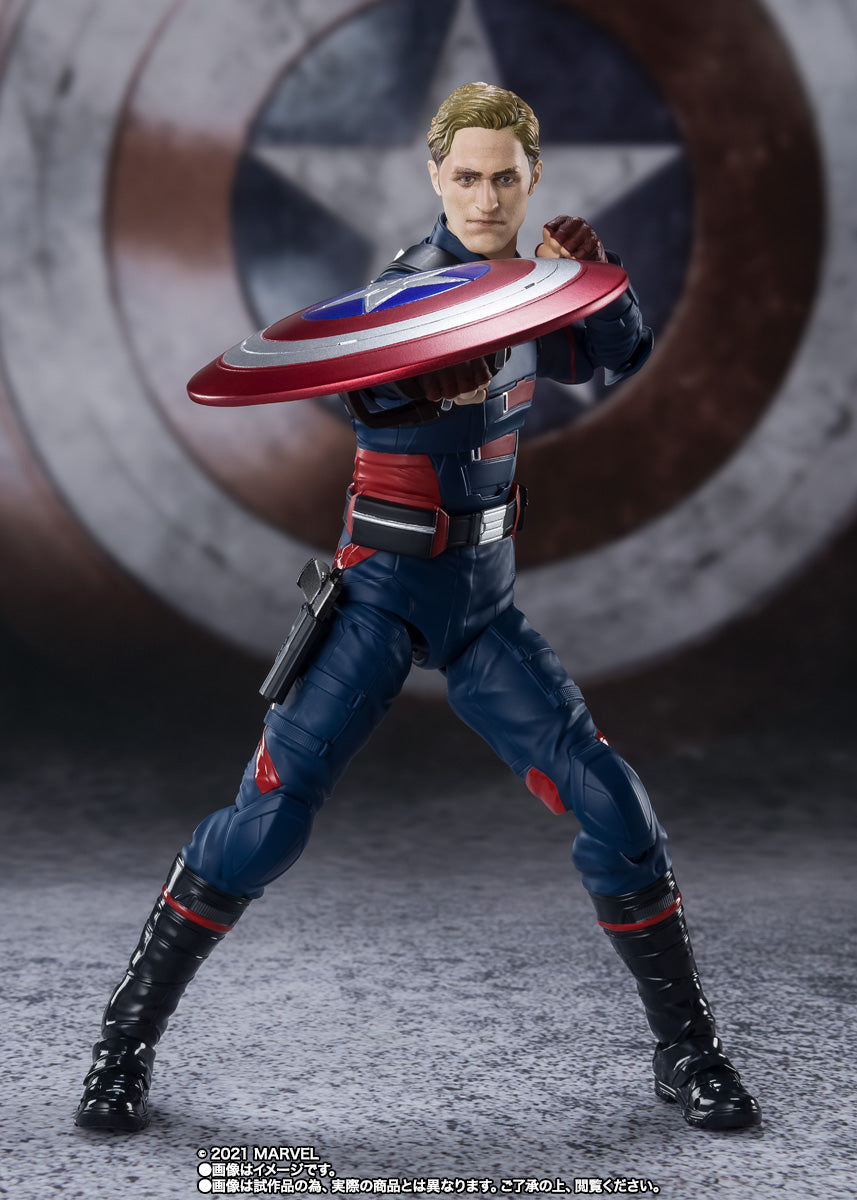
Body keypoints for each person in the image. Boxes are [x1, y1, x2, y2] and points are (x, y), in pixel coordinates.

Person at [75, 82, 760, 1134]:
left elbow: (616, 355)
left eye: (504, 178)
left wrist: (597, 284)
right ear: (435, 176)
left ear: (531, 178)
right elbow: (359, 379)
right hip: (379, 600)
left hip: (481, 610)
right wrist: (422, 378)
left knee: (615, 806)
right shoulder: (405, 294)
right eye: (465, 176)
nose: (484, 197)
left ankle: (688, 1050)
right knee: (264, 825)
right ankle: (122, 1046)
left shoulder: (528, 295)